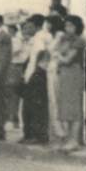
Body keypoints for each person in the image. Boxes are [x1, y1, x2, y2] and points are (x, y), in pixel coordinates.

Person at [56, 14, 86, 152]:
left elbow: (68, 59)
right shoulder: (64, 39)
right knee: (65, 108)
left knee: (73, 108)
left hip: (74, 73)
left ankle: (74, 139)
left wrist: (58, 56)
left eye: (71, 26)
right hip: (64, 74)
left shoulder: (79, 41)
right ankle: (69, 138)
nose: (68, 28)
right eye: (66, 25)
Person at [20, 15, 51, 144]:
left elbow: (41, 55)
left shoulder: (41, 37)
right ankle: (29, 134)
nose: (27, 29)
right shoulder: (34, 38)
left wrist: (36, 73)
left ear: (37, 26)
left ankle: (36, 136)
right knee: (29, 106)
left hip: (37, 75)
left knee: (35, 107)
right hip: (31, 73)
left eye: (30, 26)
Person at [45, 13, 66, 142]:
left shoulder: (60, 36)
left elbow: (53, 49)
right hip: (52, 67)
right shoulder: (54, 36)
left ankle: (60, 130)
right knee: (53, 99)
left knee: (56, 98)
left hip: (57, 67)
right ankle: (56, 129)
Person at [6, 21, 28, 132]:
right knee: (10, 93)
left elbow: (12, 52)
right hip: (12, 66)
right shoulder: (13, 40)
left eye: (10, 30)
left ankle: (13, 119)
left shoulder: (16, 40)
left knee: (13, 93)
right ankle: (13, 118)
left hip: (15, 66)